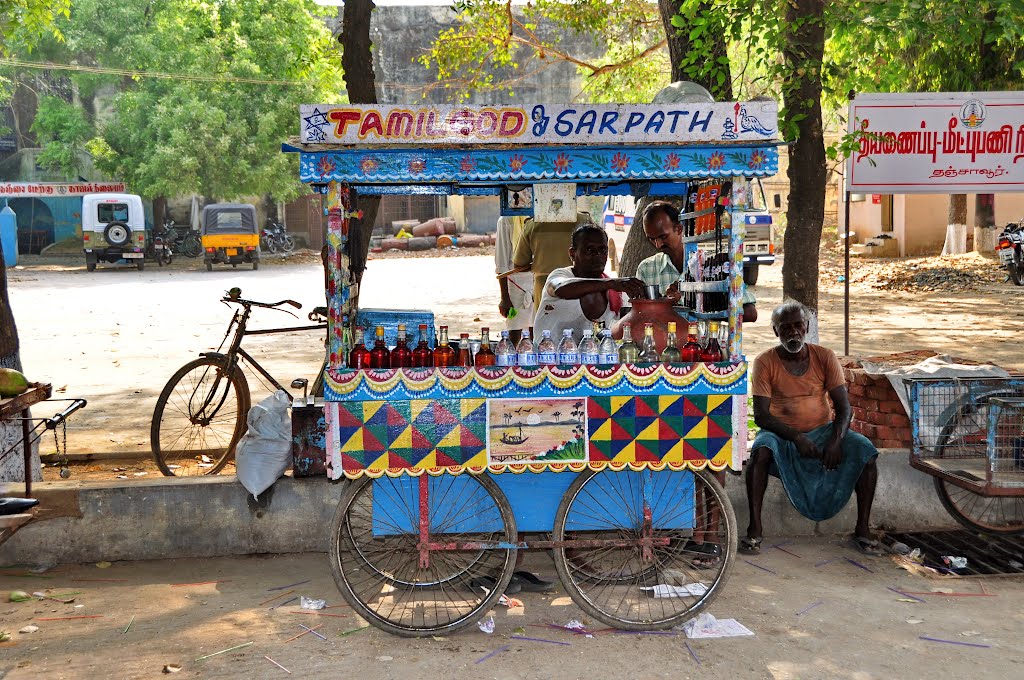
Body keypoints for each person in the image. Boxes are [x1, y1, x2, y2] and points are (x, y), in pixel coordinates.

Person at [743, 301, 881, 556]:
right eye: (785, 328)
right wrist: (796, 437)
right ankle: (754, 529)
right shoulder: (764, 361)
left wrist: (836, 441)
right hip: (781, 434)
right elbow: (762, 416)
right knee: (760, 452)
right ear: (775, 332)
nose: (793, 332)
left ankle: (863, 529)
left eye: (798, 326)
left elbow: (844, 408)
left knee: (866, 452)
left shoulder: (824, 356)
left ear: (806, 327)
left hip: (822, 430)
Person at [637, 201, 757, 322]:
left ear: (679, 229)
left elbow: (750, 313)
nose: (658, 244)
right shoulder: (646, 269)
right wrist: (666, 304)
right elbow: (641, 317)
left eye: (663, 237)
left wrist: (702, 304)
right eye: (651, 239)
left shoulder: (712, 265)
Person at [533, 223, 646, 340]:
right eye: (589, 250)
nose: (597, 255)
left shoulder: (615, 292)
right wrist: (611, 283)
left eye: (602, 250)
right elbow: (560, 288)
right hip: (549, 355)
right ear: (572, 253)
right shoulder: (561, 275)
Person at [513, 212, 594, 313]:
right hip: (576, 282)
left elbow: (519, 263)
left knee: (545, 324)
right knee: (577, 323)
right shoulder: (584, 221)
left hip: (544, 284)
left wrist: (540, 260)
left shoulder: (532, 225)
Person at [495, 215, 534, 345]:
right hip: (516, 284)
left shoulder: (542, 217)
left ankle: (537, 365)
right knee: (514, 330)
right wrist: (504, 298)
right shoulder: (506, 220)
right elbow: (502, 264)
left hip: (539, 281)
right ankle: (511, 363)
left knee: (538, 330)